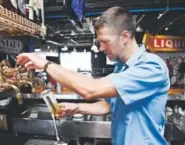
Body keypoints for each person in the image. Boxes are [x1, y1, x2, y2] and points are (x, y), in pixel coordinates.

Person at [17, 6, 170, 145]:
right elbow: (109, 105)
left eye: (105, 41)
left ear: (125, 36)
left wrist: (46, 64)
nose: (101, 48)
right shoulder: (122, 68)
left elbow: (90, 90)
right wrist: (76, 108)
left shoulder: (151, 66)